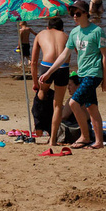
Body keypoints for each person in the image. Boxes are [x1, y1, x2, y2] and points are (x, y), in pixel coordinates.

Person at [38, 3, 106, 150]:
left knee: (73, 103)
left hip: (94, 72)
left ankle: (85, 136)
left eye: (77, 13)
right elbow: (64, 55)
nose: (74, 17)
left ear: (85, 13)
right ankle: (99, 142)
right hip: (82, 73)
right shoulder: (74, 33)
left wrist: (105, 78)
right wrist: (49, 72)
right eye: (72, 14)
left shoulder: (97, 31)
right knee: (92, 108)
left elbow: (105, 55)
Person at [30, 16, 70, 146]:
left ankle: (39, 126)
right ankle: (53, 139)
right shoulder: (66, 35)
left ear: (47, 27)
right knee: (58, 104)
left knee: (41, 94)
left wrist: (35, 82)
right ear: (62, 28)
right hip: (63, 67)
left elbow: (34, 62)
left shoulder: (41, 34)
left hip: (47, 66)